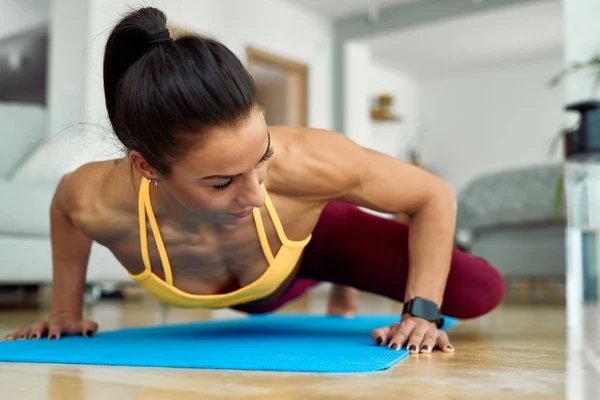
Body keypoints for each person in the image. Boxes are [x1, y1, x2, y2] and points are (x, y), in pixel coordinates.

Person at [4, 7, 505, 354]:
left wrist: (421, 310)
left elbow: (431, 193)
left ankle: (338, 271)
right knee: (269, 294)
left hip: (319, 233)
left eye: (261, 157)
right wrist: (65, 310)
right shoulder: (95, 197)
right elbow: (64, 207)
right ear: (147, 168)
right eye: (221, 182)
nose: (255, 193)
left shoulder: (309, 161)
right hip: (265, 290)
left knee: (479, 289)